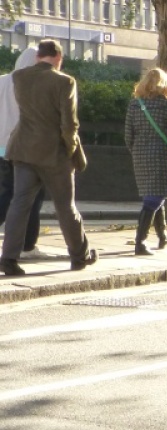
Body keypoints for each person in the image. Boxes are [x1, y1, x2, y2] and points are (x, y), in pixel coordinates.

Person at [0, 39, 94, 277]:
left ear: (38, 56)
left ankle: (9, 258)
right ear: (59, 58)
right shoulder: (65, 81)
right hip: (54, 153)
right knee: (65, 206)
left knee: (19, 204)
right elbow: (69, 124)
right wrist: (73, 151)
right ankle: (79, 255)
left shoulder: (20, 78)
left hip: (22, 149)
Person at [123, 66, 167, 256]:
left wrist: (138, 151)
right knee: (153, 199)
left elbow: (128, 136)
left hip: (140, 157)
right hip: (161, 156)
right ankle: (140, 242)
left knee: (154, 195)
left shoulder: (135, 105)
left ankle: (162, 235)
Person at [0, 47, 50, 261]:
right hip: (24, 147)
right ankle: (27, 245)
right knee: (31, 196)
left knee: (8, 192)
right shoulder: (33, 84)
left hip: (1, 147)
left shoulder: (2, 81)